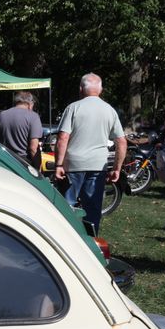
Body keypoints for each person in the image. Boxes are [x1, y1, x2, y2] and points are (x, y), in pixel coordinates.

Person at [53, 73, 126, 234]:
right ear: (101, 90)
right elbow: (121, 141)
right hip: (98, 165)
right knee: (93, 207)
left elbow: (63, 137)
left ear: (81, 89)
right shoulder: (110, 111)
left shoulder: (73, 107)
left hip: (73, 165)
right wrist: (117, 168)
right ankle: (91, 240)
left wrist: (58, 164)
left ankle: (66, 237)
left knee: (67, 205)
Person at [0, 91, 45, 165]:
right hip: (24, 162)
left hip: (5, 159)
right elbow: (33, 148)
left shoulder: (2, 115)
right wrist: (38, 168)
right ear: (30, 104)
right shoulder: (33, 116)